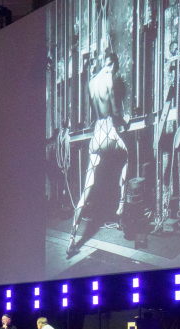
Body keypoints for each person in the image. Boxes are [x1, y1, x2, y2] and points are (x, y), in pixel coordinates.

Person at [67, 52, 130, 257]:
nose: (112, 70)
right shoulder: (110, 78)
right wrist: (125, 120)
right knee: (126, 156)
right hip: (109, 133)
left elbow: (96, 109)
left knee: (87, 189)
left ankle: (72, 239)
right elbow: (114, 111)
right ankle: (120, 207)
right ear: (113, 64)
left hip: (96, 136)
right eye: (114, 67)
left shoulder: (92, 82)